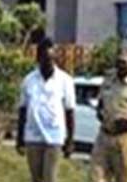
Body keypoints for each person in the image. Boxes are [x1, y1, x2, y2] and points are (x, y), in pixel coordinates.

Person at [17, 37, 76, 182]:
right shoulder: (29, 80)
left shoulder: (65, 80)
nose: (49, 63)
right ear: (38, 59)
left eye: (51, 59)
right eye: (45, 59)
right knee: (36, 178)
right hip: (33, 136)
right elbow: (22, 111)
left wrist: (70, 140)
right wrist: (20, 139)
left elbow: (70, 112)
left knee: (49, 178)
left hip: (54, 137)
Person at [90, 48, 127, 182]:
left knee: (125, 178)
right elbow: (100, 102)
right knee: (96, 176)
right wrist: (100, 113)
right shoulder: (109, 79)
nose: (120, 66)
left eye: (124, 63)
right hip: (104, 135)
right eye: (118, 62)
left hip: (125, 137)